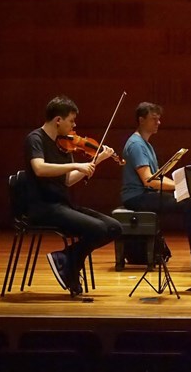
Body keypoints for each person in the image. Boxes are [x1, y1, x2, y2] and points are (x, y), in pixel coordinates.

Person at [24, 95, 123, 297]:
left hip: (62, 204)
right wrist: (77, 164)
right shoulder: (35, 138)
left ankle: (66, 259)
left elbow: (68, 180)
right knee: (96, 229)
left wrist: (98, 160)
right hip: (42, 206)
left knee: (114, 227)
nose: (74, 125)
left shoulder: (63, 145)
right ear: (58, 120)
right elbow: (39, 168)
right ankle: (69, 265)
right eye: (71, 120)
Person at [121, 102, 191, 269]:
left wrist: (182, 184)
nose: (158, 123)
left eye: (159, 119)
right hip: (137, 197)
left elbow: (158, 178)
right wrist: (181, 186)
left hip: (145, 194)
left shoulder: (145, 143)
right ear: (141, 120)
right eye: (154, 119)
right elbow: (150, 181)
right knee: (189, 204)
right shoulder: (136, 145)